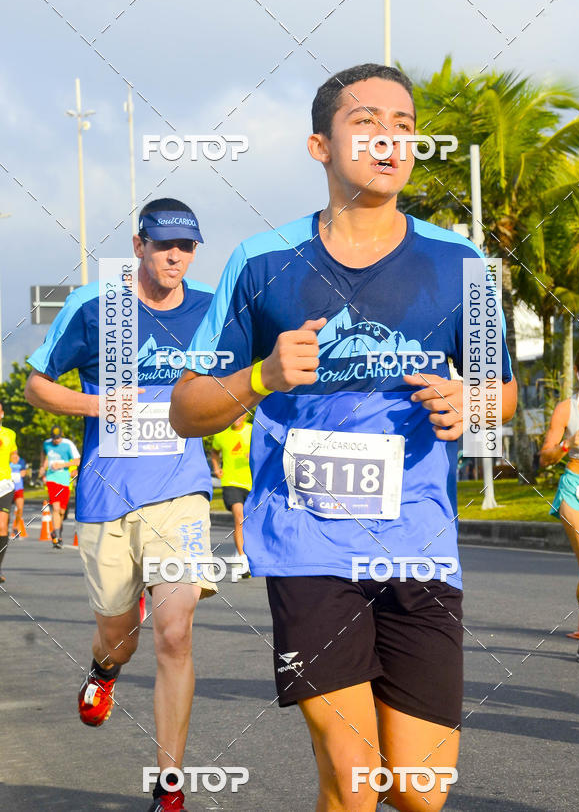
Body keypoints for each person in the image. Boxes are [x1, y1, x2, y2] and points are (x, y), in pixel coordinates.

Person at [171, 64, 517, 812]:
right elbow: (188, 407)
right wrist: (261, 376)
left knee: (421, 791)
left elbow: (504, 393)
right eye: (366, 123)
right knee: (354, 778)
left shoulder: (459, 265)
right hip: (308, 544)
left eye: (404, 124)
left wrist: (474, 403)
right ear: (318, 146)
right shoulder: (260, 263)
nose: (390, 141)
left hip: (419, 542)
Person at [26, 198, 217, 812]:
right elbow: (37, 384)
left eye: (186, 246)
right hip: (106, 495)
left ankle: (170, 786)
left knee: (176, 632)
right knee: (119, 631)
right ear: (139, 245)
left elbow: (245, 381)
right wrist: (99, 406)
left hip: (181, 492)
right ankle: (103, 672)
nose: (175, 257)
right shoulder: (94, 308)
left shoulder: (212, 310)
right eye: (163, 244)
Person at [541, 341, 579, 663]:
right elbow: (544, 459)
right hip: (576, 489)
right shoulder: (567, 409)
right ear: (578, 372)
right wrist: (567, 444)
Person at [210, 413, 253, 575]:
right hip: (231, 482)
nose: (237, 418)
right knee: (239, 518)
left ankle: (240, 552)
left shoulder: (252, 431)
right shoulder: (222, 433)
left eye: (241, 415)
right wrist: (216, 467)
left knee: (249, 522)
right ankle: (243, 560)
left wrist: (254, 455)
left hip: (251, 483)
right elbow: (215, 452)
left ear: (245, 416)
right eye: (234, 415)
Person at [40, 425, 80, 547]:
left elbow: (77, 461)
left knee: (62, 511)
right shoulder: (46, 444)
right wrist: (42, 466)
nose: (55, 440)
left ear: (61, 436)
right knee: (56, 508)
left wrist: (62, 465)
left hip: (65, 481)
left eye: (57, 438)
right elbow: (43, 454)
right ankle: (57, 536)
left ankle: (57, 532)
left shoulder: (68, 445)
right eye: (54, 438)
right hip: (51, 479)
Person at [0, 403, 18, 584]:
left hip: (4, 484)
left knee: (2, 527)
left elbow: (14, 452)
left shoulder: (9, 434)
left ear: (2, 414)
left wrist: (15, 458)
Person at [9, 449, 27, 537]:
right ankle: (4, 525)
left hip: (18, 488)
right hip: (7, 488)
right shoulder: (6, 460)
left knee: (20, 508)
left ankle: (15, 527)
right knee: (5, 510)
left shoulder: (21, 461)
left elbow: (23, 473)